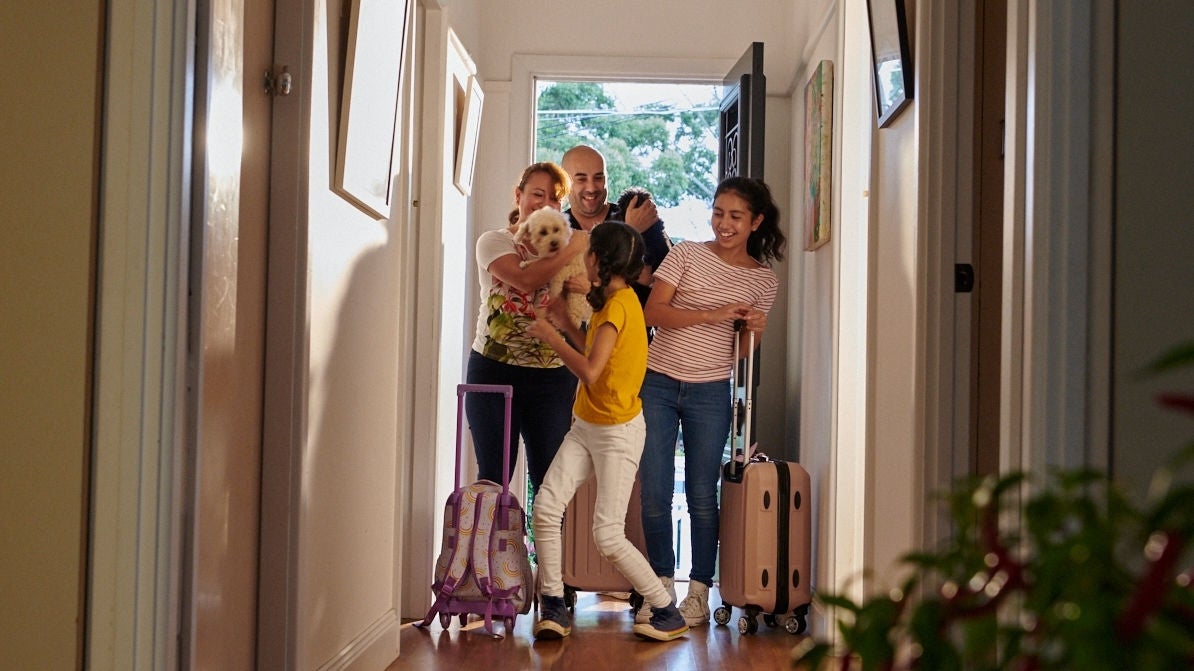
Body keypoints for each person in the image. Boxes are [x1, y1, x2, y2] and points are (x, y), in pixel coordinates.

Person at [526, 222, 689, 642]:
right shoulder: (613, 300)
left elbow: (590, 370)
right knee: (546, 507)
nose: (583, 261)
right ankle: (554, 604)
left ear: (597, 259)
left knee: (608, 534)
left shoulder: (619, 306)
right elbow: (595, 353)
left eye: (587, 254)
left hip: (617, 432)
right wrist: (563, 319)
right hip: (587, 424)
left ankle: (666, 610)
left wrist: (549, 334)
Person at [636, 176, 787, 627]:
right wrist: (713, 314)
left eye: (735, 216)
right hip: (657, 382)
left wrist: (755, 328)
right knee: (656, 491)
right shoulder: (686, 254)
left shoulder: (764, 281)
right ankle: (659, 590)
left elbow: (740, 354)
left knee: (703, 494)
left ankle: (699, 592)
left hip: (710, 391)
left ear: (756, 222)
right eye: (719, 212)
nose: (724, 223)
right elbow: (652, 313)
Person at [465, 161, 588, 495]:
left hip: (553, 376)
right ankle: (497, 548)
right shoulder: (493, 241)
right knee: (493, 477)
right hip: (492, 370)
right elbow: (525, 278)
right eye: (537, 194)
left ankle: (547, 549)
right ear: (518, 196)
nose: (545, 202)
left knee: (550, 482)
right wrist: (572, 248)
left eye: (554, 198)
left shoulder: (574, 250)